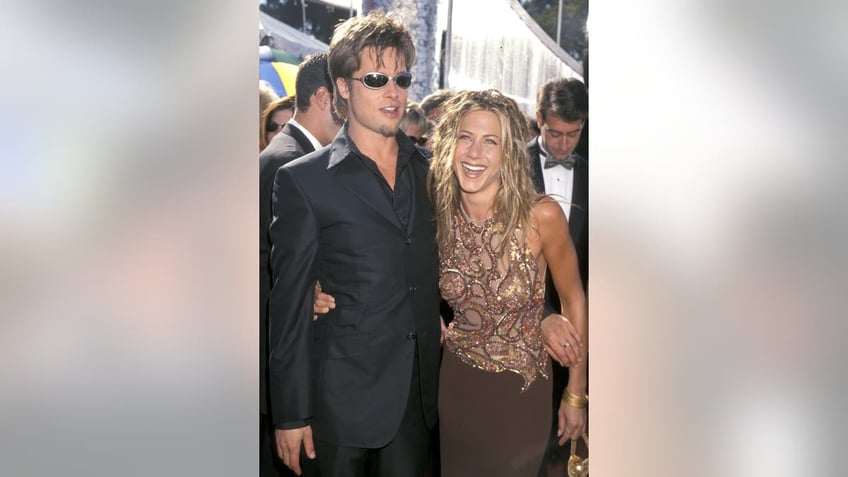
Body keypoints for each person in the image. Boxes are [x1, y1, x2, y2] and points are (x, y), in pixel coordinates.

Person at [267, 12, 443, 477]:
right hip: (338, 405)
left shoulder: (431, 172)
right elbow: (287, 306)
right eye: (375, 78)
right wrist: (290, 413)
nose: (393, 91)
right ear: (343, 87)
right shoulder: (303, 180)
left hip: (416, 400)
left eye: (401, 78)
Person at [428, 89, 588, 476]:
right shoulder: (436, 208)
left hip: (521, 391)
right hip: (457, 383)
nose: (474, 153)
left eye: (490, 142)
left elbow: (574, 300)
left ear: (509, 152)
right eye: (465, 137)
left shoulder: (542, 216)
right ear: (450, 143)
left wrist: (576, 393)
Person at [259, 52, 341, 477]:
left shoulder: (285, 154)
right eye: (347, 93)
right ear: (326, 96)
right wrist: (301, 288)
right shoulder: (287, 161)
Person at [526, 77, 590, 473]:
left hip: (582, 333)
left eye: (574, 134)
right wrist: (543, 312)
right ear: (538, 120)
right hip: (523, 331)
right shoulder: (509, 166)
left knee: (568, 453)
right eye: (555, 133)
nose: (564, 145)